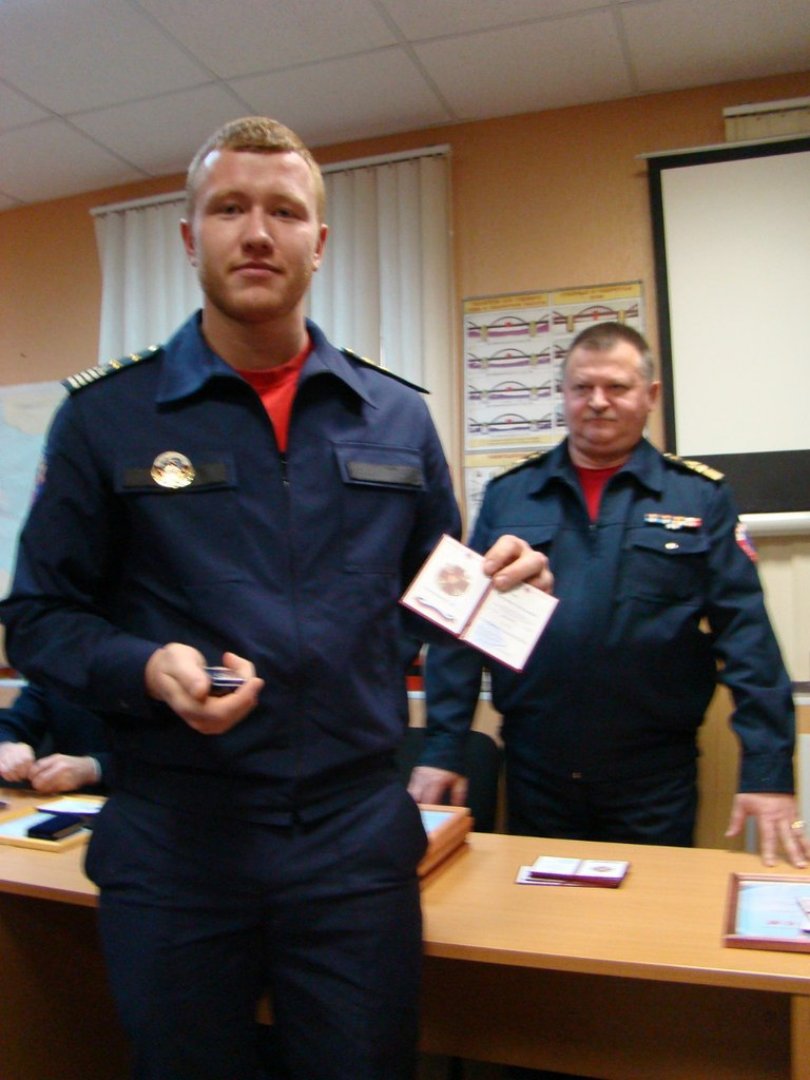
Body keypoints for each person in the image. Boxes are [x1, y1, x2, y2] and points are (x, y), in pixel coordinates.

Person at [0, 116, 550, 1080]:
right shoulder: (106, 417)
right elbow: (38, 617)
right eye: (230, 208)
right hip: (177, 839)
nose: (257, 232)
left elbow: (427, 602)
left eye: (285, 212)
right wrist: (145, 667)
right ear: (190, 236)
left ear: (319, 241)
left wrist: (505, 586)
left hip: (353, 840)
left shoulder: (395, 415)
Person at [410, 321, 810, 870]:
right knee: (539, 916)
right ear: (564, 393)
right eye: (582, 387)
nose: (597, 402)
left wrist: (768, 773)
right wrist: (442, 748)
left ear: (650, 395)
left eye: (616, 387)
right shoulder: (511, 494)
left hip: (654, 778)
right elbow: (460, 631)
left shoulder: (698, 497)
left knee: (648, 913)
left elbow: (748, 640)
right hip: (535, 768)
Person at [0, 682, 108, 792]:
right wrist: (6, 745)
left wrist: (95, 768)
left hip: (113, 791)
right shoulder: (56, 678)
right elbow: (13, 722)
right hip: (63, 795)